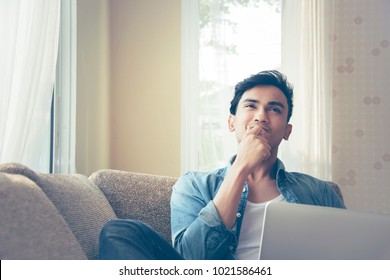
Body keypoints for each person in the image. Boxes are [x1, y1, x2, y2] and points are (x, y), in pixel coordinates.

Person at [99, 70, 345, 260]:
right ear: (231, 122)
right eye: (251, 106)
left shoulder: (320, 192)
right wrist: (240, 169)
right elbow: (189, 261)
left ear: (287, 131)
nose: (261, 116)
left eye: (275, 109)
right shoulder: (194, 185)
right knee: (120, 231)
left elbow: (350, 260)